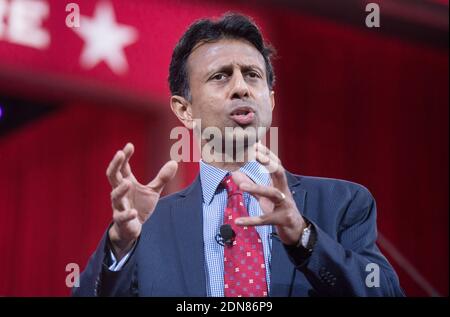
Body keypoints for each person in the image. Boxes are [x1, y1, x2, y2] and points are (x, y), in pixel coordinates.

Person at [73, 13, 404, 297]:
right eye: (220, 76)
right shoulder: (148, 225)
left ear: (270, 101)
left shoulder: (341, 202)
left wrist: (303, 237)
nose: (241, 87)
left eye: (252, 75)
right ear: (184, 109)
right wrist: (120, 243)